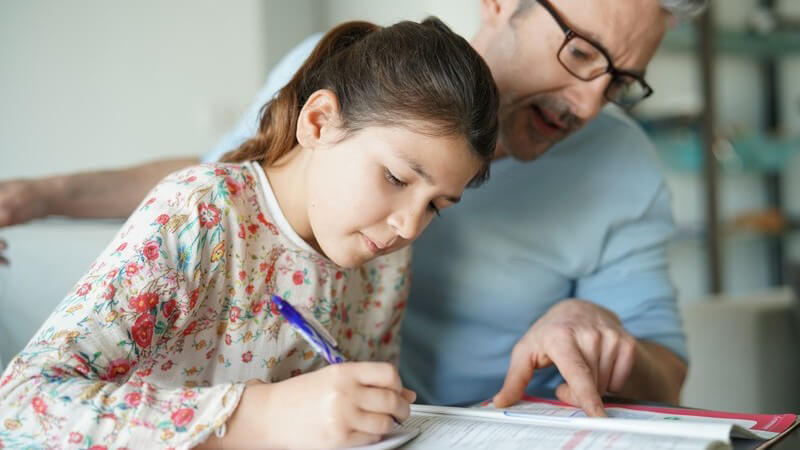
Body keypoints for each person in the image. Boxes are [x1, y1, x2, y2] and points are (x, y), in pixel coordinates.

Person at [0, 0, 707, 417]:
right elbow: (228, 184)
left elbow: (666, 370)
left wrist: (598, 328)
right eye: (583, 54)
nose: (589, 104)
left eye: (620, 84)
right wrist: (36, 197)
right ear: (318, 122)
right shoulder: (217, 205)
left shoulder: (387, 255)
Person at [0, 18, 499, 449]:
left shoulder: (384, 259)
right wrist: (262, 415)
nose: (408, 227)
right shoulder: (201, 214)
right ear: (320, 123)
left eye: (435, 204)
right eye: (394, 178)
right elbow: (18, 409)